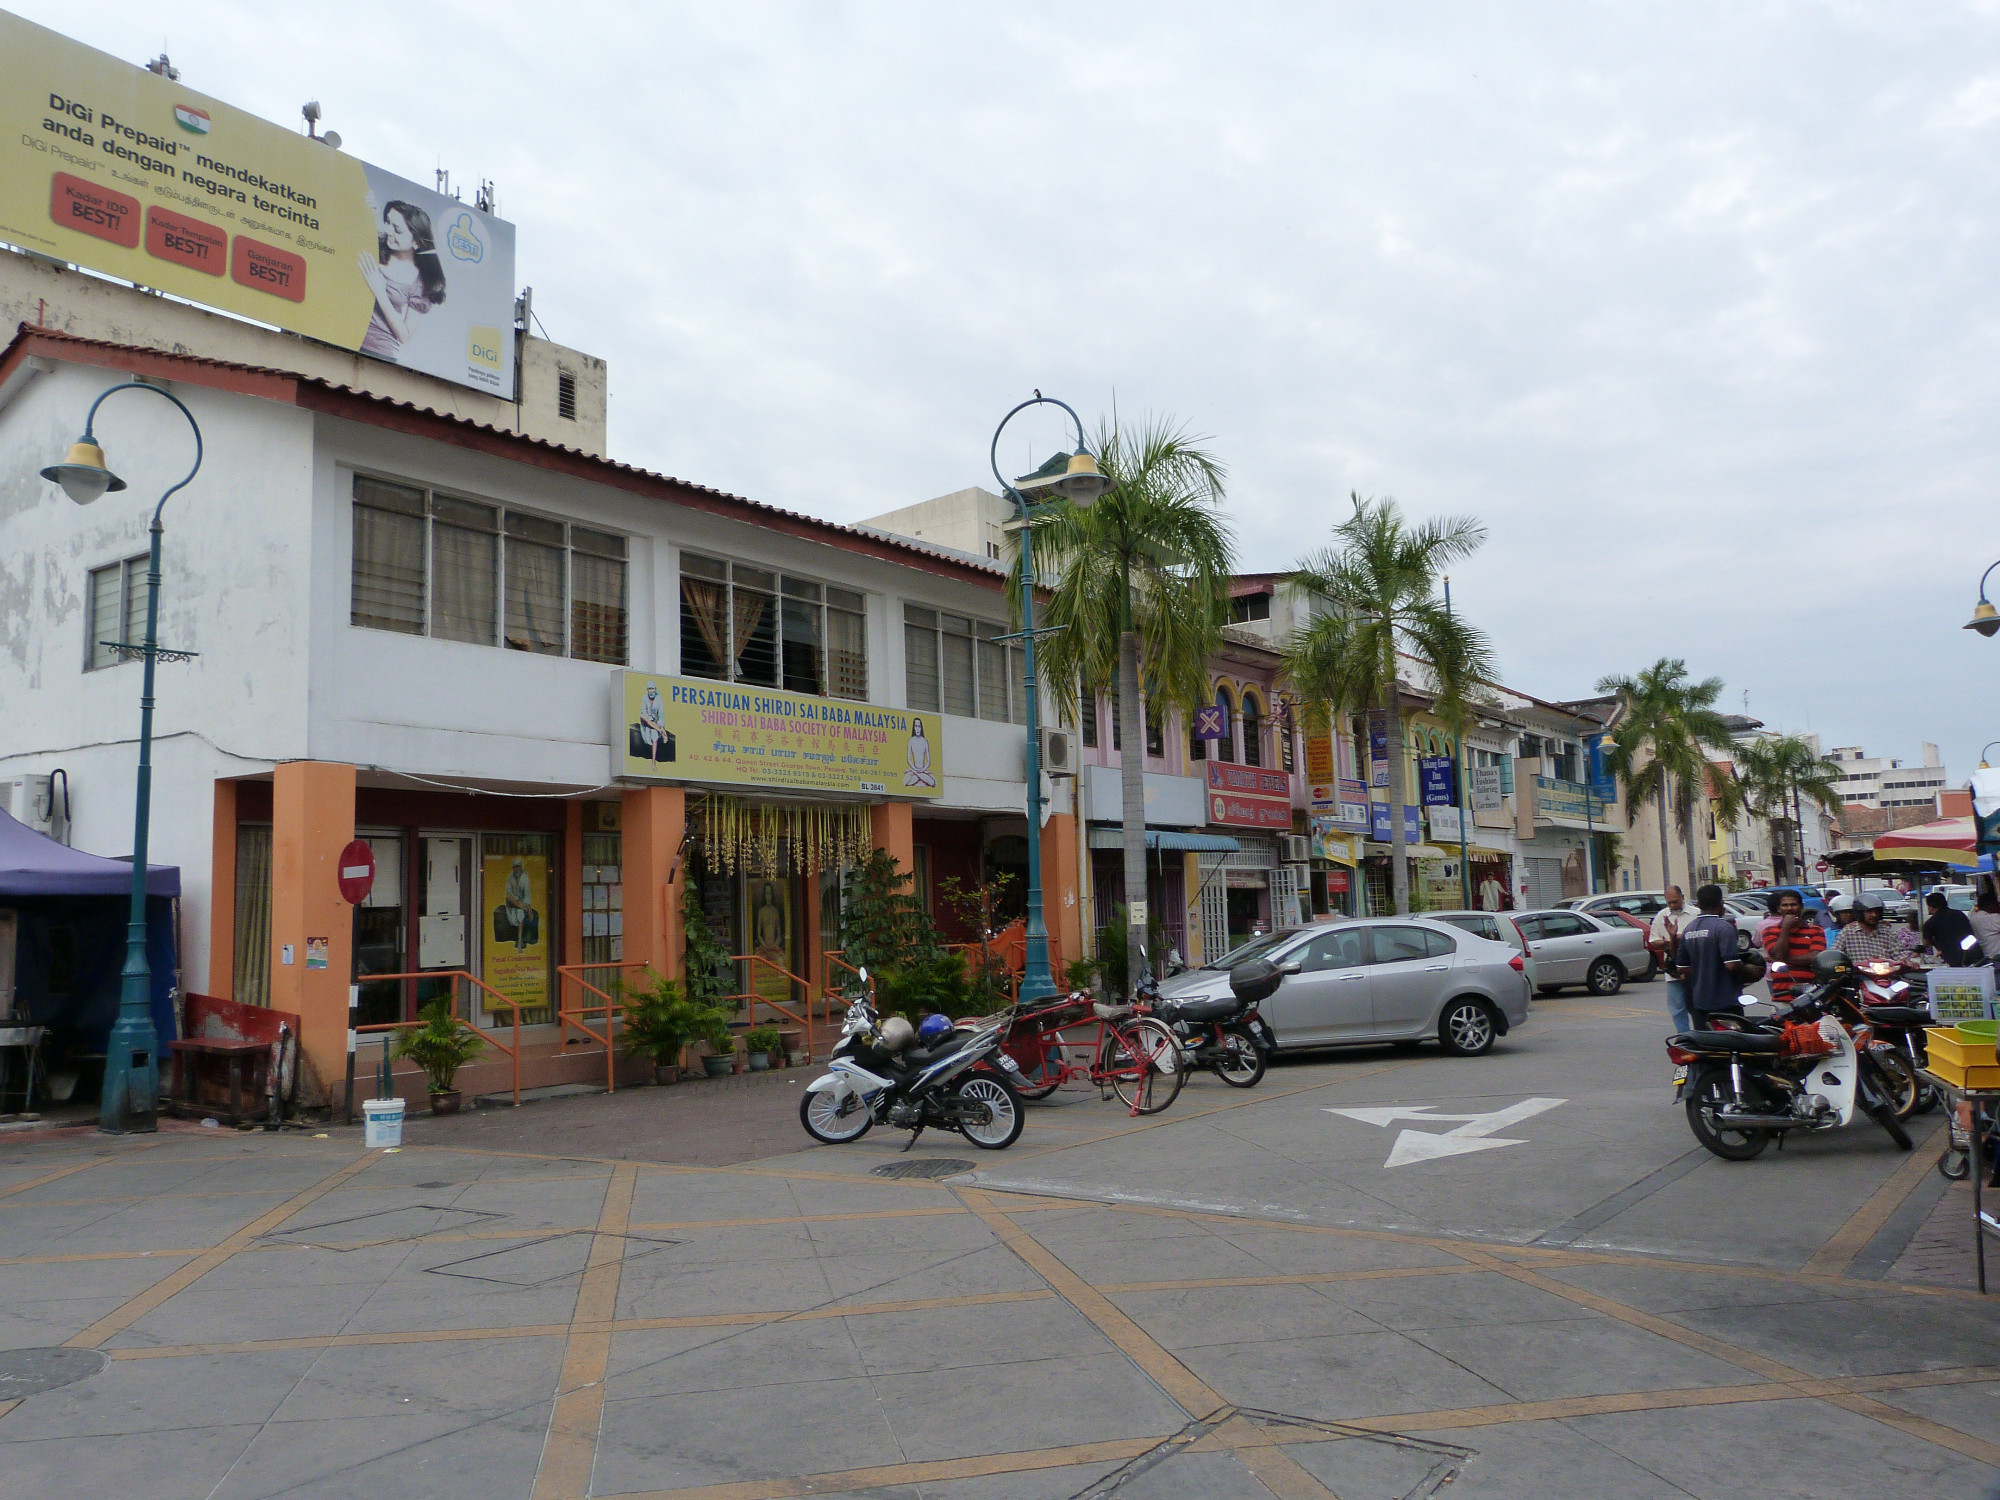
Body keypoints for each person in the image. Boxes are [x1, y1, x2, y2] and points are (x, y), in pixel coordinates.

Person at [358, 199, 447, 360]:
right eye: (388, 223)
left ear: (416, 241)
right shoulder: (374, 244)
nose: (389, 231)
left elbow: (405, 337)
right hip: (342, 333)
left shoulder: (421, 283)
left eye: (397, 230)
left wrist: (380, 292)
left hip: (376, 352)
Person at [1675, 884, 1748, 1027]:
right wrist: (1749, 970)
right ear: (1721, 903)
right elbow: (1732, 964)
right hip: (1725, 1001)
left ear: (1699, 904)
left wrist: (1703, 968)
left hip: (1699, 1002)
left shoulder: (1689, 929)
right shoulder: (1723, 928)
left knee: (1706, 1045)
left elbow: (1681, 967)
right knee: (1731, 1044)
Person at [1647, 886, 1698, 1037]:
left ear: (1682, 897)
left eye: (1675, 902)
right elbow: (1653, 940)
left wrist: (1683, 938)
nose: (1672, 906)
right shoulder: (1661, 916)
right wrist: (1668, 941)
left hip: (1693, 968)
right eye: (1669, 903)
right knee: (1677, 1007)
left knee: (1697, 1006)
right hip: (1673, 970)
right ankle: (1684, 1037)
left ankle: (1702, 1035)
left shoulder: (1695, 914)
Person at [1763, 889, 1826, 1004]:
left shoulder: (1816, 930)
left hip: (1811, 995)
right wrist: (1786, 927)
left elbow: (1815, 958)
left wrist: (1783, 959)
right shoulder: (1769, 931)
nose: (1789, 909)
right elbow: (1778, 954)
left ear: (1801, 907)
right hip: (1782, 996)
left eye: (1793, 905)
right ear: (1778, 909)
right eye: (1785, 905)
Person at [1834, 893, 1916, 966]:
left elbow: (1899, 953)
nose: (1874, 915)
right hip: (1858, 976)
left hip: (1886, 974)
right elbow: (1835, 954)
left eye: (1877, 912)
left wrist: (1905, 961)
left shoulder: (1887, 932)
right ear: (1860, 913)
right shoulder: (1847, 932)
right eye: (1869, 912)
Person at [1921, 890, 1980, 967]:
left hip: (1953, 959)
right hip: (1974, 954)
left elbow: (1926, 943)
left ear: (1930, 907)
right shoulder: (1959, 914)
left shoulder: (1930, 923)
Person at [1968, 887, 2000, 968]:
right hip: (1996, 957)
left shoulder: (1973, 916)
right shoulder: (1992, 918)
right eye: (1997, 905)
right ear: (1990, 905)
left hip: (1987, 956)